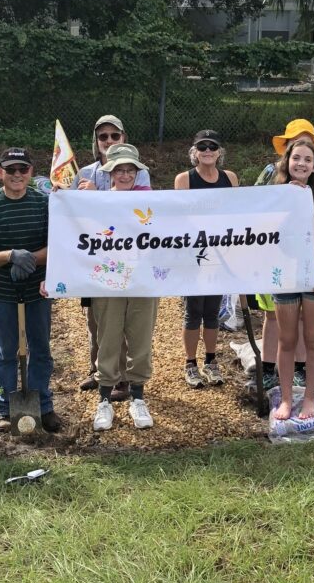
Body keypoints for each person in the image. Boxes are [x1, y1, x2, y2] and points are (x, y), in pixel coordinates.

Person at [0, 147, 63, 433]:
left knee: (40, 350)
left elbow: (59, 243)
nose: (16, 175)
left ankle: (43, 406)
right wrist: (11, 256)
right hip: (3, 292)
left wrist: (32, 259)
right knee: (6, 352)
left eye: (22, 169)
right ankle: (7, 409)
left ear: (30, 172)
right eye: (10, 169)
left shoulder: (43, 203)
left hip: (38, 290)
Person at [253, 119, 314, 391]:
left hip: (312, 264)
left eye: (309, 149)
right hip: (279, 265)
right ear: (286, 149)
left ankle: (300, 371)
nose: (302, 158)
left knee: (306, 323)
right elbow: (255, 212)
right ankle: (270, 368)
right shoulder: (271, 174)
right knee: (272, 316)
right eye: (296, 146)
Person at [73, 114, 151, 396]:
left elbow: (141, 211)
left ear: (123, 137)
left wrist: (99, 198)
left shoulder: (139, 174)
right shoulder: (83, 173)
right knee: (98, 320)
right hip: (97, 261)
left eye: (114, 136)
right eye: (103, 136)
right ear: (96, 141)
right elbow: (74, 217)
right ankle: (100, 370)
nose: (108, 141)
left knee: (126, 320)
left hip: (129, 262)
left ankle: (122, 378)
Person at [88, 143, 158, 432]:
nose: (125, 175)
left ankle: (138, 397)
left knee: (141, 339)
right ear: (110, 172)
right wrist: (64, 197)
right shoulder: (97, 202)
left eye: (131, 170)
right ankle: (104, 399)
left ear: (137, 172)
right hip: (108, 281)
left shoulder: (152, 202)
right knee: (108, 338)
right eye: (120, 170)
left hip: (143, 280)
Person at [271, 138, 314, 420]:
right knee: (286, 339)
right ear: (287, 162)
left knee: (313, 338)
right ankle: (287, 399)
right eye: (296, 158)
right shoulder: (274, 194)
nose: (301, 163)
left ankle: (309, 397)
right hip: (285, 275)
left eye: (307, 160)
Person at [173, 129, 238, 388]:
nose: (208, 151)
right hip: (193, 253)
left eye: (212, 146)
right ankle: (190, 363)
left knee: (213, 312)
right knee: (193, 311)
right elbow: (181, 216)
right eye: (202, 147)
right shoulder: (184, 179)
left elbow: (237, 213)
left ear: (219, 152)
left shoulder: (230, 178)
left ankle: (211, 360)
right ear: (194, 153)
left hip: (221, 252)